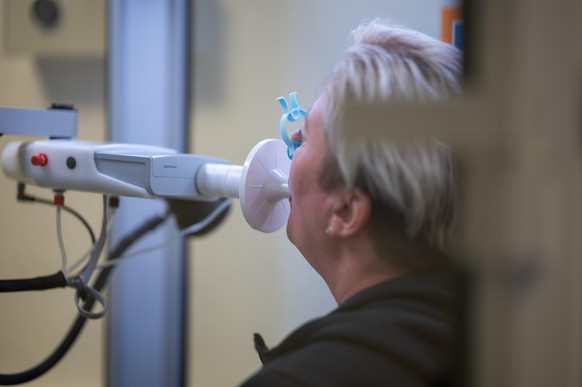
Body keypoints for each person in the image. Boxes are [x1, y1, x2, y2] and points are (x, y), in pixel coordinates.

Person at [241, 19, 463, 387]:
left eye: (307, 137)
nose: (292, 140)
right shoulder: (509, 345)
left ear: (346, 210)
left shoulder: (302, 379)